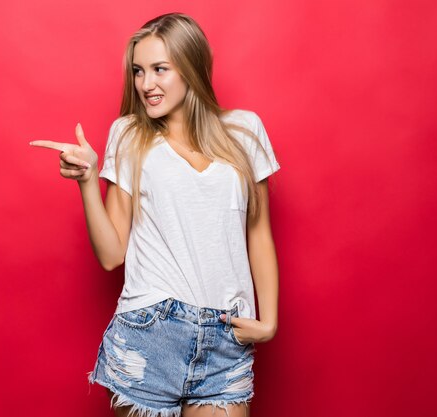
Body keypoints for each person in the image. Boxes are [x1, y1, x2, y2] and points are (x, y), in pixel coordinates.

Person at [30, 12, 280, 417]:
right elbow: (112, 254)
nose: (146, 84)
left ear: (191, 67)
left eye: (159, 69)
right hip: (150, 335)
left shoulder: (245, 132)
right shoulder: (129, 135)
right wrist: (88, 181)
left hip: (226, 340)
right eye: (138, 72)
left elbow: (259, 233)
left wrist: (268, 321)